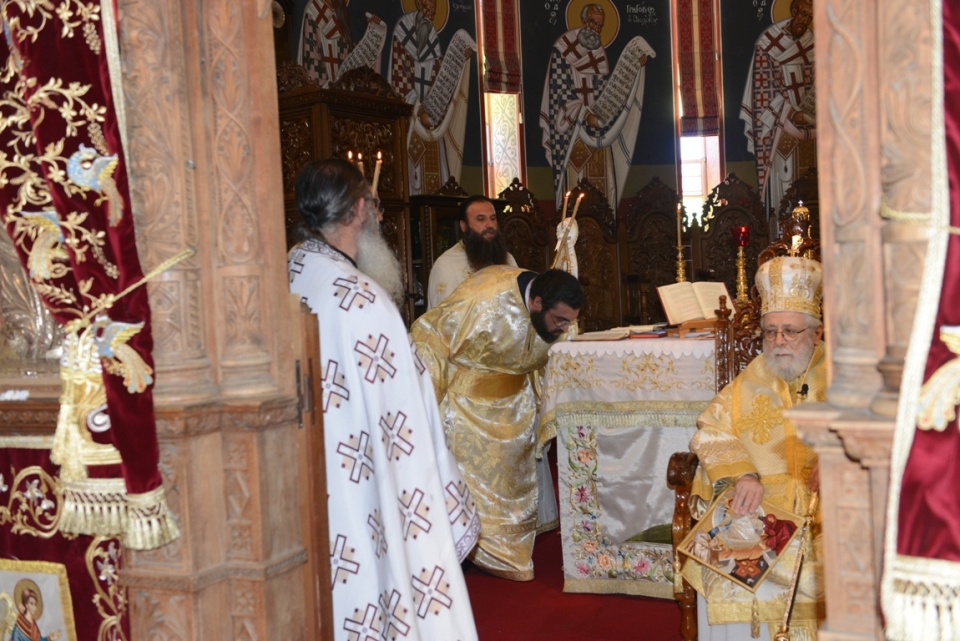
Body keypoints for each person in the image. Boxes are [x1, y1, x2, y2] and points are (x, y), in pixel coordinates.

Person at [287, 158, 479, 641]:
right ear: (359, 211)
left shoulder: (289, 273)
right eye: (371, 206)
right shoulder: (362, 298)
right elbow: (409, 414)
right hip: (358, 475)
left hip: (305, 474)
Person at [681, 255, 825, 640]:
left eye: (790, 331)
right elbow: (711, 428)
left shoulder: (845, 374)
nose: (778, 342)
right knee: (720, 559)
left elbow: (885, 431)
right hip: (765, 510)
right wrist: (743, 473)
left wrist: (842, 461)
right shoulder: (754, 375)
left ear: (817, 333)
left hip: (831, 510)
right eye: (770, 331)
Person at [411, 266, 585, 581]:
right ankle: (464, 548)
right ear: (537, 303)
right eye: (560, 321)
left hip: (515, 412)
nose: (565, 328)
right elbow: (431, 336)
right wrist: (425, 405)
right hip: (466, 410)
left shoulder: (553, 316)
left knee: (512, 491)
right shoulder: (483, 296)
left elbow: (550, 357)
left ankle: (502, 551)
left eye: (569, 322)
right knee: (468, 490)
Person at [539, 3, 654, 209]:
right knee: (574, 190)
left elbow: (607, 92)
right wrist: (584, 114)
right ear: (583, 21)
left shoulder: (598, 52)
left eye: (600, 25)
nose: (596, 29)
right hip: (572, 132)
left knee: (603, 192)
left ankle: (605, 227)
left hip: (597, 135)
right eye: (593, 23)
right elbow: (558, 91)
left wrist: (635, 67)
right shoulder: (562, 47)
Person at [387, 0, 476, 195]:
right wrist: (418, 110)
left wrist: (459, 59)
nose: (429, 15)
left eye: (433, 12)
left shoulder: (432, 36)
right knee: (410, 178)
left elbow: (438, 73)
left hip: (429, 119)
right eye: (427, 9)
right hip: (410, 118)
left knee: (436, 181)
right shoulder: (403, 29)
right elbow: (399, 76)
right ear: (418, 5)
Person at [739, 0, 816, 211]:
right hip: (780, 131)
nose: (805, 21)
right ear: (793, 11)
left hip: (811, 132)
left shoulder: (813, 44)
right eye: (802, 15)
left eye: (810, 18)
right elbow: (762, 93)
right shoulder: (768, 43)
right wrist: (791, 113)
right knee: (784, 185)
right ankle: (780, 226)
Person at [426, 195, 518, 310]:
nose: (490, 224)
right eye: (481, 219)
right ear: (463, 226)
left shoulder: (508, 259)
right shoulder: (446, 265)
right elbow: (444, 317)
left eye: (493, 218)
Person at [298, 0, 386, 88]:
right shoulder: (313, 10)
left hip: (340, 90)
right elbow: (311, 59)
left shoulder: (339, 12)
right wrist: (330, 88)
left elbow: (348, 56)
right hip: (323, 89)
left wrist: (373, 33)